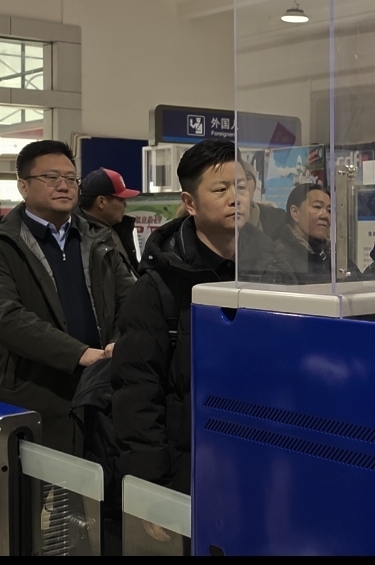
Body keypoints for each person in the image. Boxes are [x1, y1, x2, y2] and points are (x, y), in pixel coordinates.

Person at [112, 140, 293, 499]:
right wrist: (150, 488)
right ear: (190, 202)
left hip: (265, 458)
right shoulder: (159, 286)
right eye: (221, 189)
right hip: (192, 464)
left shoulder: (275, 270)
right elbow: (137, 393)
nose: (235, 198)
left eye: (241, 187)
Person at [0, 140, 136, 455]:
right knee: (42, 482)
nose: (64, 186)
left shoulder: (98, 238)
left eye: (71, 178)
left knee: (102, 477)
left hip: (102, 388)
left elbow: (130, 300)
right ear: (23, 186)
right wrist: (78, 353)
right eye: (51, 178)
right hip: (35, 394)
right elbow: (1, 315)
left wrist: (119, 343)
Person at [273, 183, 359, 283]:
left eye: (329, 210)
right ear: (295, 213)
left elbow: (361, 284)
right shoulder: (279, 258)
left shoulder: (331, 254)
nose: (325, 216)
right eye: (317, 207)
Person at [78, 168, 142, 274]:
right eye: (121, 200)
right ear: (101, 202)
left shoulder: (118, 228)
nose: (125, 205)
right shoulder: (80, 238)